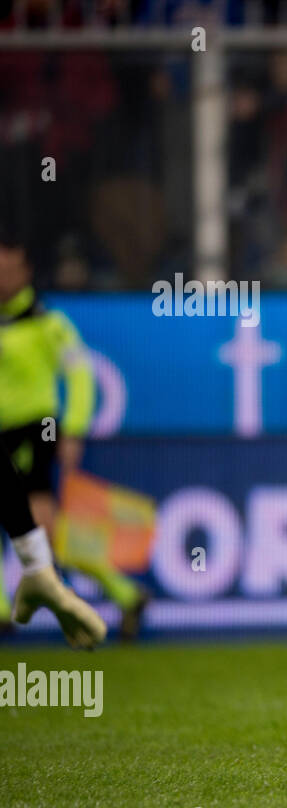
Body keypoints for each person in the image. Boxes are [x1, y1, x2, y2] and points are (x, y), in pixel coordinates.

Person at [0, 235, 148, 638]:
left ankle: (122, 593)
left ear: (26, 272)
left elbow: (80, 375)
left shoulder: (48, 323)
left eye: (9, 269)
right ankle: (124, 595)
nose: (2, 278)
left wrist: (74, 428)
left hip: (34, 432)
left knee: (42, 530)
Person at [0, 451, 105, 648]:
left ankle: (125, 593)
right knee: (47, 528)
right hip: (31, 428)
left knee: (49, 527)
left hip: (33, 427)